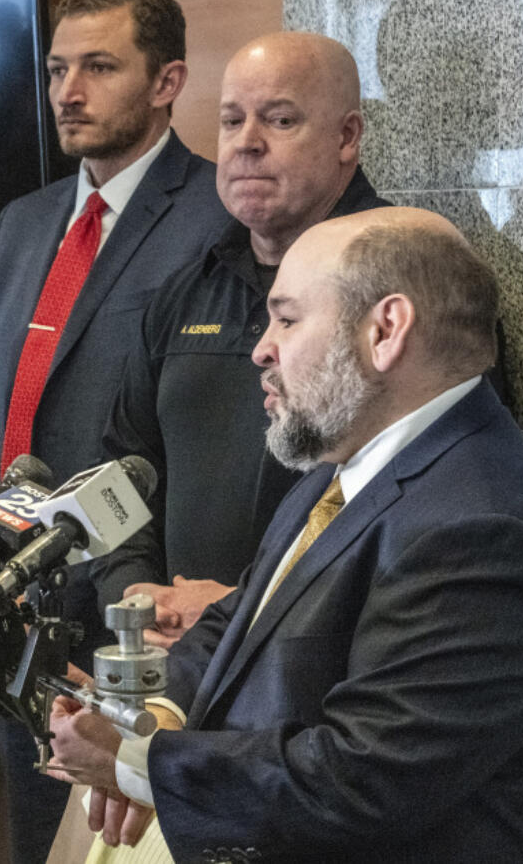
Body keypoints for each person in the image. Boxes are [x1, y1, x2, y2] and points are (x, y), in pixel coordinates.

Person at [47, 207, 523, 862]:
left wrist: (140, 760)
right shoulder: (347, 461)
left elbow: (361, 778)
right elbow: (240, 621)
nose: (261, 347)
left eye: (288, 317)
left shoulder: (486, 529)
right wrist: (149, 708)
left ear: (385, 330)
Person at [0, 0, 229, 859]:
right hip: (17, 622)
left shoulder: (219, 215)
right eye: (60, 68)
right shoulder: (22, 225)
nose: (68, 91)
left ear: (168, 81)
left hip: (142, 628)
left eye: (100, 67)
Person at [94, 32, 388, 650]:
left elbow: (409, 506)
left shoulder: (401, 291)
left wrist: (240, 608)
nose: (247, 142)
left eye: (280, 120)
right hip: (175, 661)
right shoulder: (185, 291)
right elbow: (121, 472)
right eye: (232, 120)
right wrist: (137, 594)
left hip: (317, 665)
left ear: (346, 137)